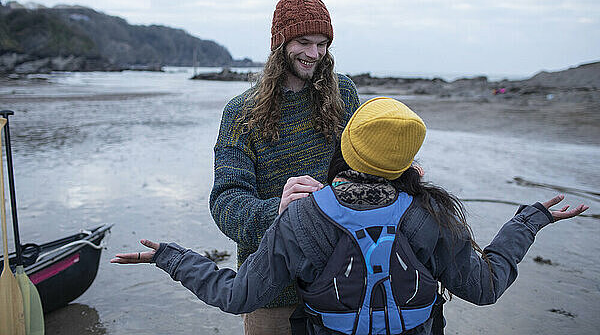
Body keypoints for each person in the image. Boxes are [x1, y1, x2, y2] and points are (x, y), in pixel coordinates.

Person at [112, 97, 588, 335]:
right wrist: (528, 222)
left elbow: (236, 295)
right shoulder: (433, 214)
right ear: (408, 164)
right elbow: (485, 287)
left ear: (346, 147)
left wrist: (171, 258)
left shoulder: (299, 219)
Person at [207, 0, 360, 333]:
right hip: (272, 289)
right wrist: (277, 210)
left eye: (322, 44)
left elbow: (362, 165)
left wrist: (399, 173)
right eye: (304, 42)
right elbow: (224, 202)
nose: (314, 53)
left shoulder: (344, 93)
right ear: (280, 44)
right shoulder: (241, 113)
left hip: (339, 278)